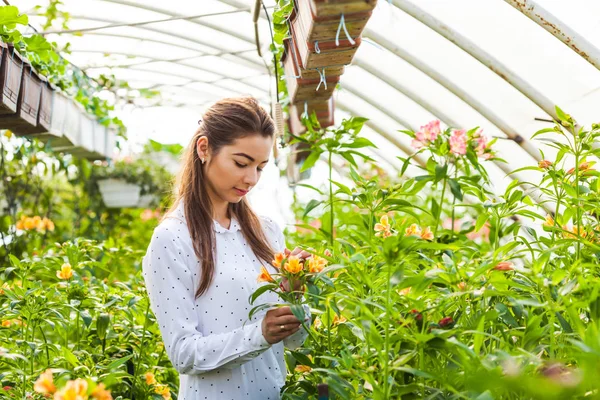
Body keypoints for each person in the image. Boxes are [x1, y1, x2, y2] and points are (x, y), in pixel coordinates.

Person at [142, 97, 311, 399]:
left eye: (260, 167)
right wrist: (260, 333)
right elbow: (183, 353)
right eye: (241, 163)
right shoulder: (173, 238)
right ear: (204, 148)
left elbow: (294, 343)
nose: (251, 179)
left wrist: (294, 297)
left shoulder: (267, 231)